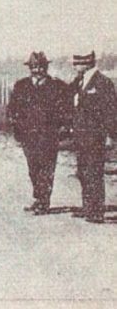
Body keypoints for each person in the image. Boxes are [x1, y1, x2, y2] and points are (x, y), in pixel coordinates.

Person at [7, 52, 70, 215]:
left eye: (41, 67)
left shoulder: (57, 86)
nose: (37, 70)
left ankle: (44, 201)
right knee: (33, 168)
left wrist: (62, 129)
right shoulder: (21, 86)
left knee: (47, 168)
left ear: (46, 68)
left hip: (48, 135)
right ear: (29, 68)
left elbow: (65, 110)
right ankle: (38, 197)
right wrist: (16, 131)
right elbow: (13, 110)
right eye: (34, 67)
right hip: (28, 136)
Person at [70, 51, 117, 223]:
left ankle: (96, 211)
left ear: (87, 63)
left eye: (77, 63)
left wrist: (111, 135)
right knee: (83, 171)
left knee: (94, 171)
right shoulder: (79, 81)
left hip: (96, 136)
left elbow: (111, 111)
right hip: (80, 136)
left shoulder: (103, 82)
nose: (74, 66)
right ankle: (87, 207)